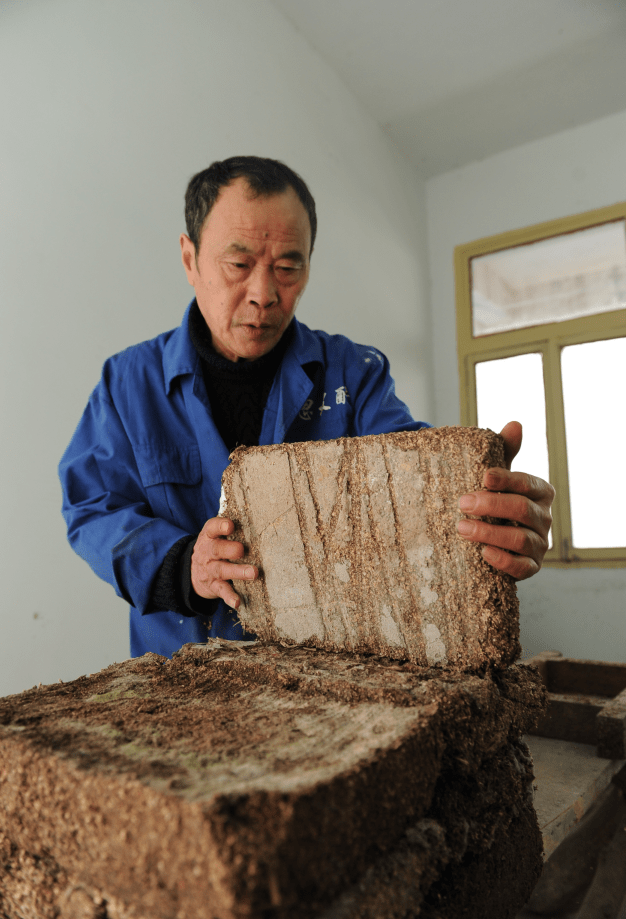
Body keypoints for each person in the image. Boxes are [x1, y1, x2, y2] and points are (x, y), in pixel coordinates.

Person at [59, 156, 554, 660]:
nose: (265, 294)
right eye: (238, 264)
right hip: (182, 669)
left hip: (334, 673)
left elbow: (413, 488)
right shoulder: (127, 383)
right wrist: (184, 564)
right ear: (190, 259)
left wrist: (485, 512)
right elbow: (94, 510)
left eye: (288, 267)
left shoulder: (354, 374)